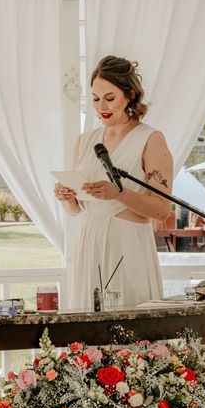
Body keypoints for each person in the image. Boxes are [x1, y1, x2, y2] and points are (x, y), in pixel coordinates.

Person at [55, 55, 173, 309]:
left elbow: (162, 210)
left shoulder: (151, 139)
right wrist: (68, 197)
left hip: (127, 243)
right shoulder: (85, 141)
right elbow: (77, 210)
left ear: (130, 95)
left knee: (128, 330)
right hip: (89, 242)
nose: (101, 107)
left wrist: (118, 193)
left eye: (110, 98)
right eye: (96, 99)